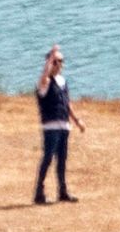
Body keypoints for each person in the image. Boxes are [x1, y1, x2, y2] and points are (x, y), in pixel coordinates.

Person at [34, 44, 86, 205]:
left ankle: (62, 191)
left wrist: (77, 120)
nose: (60, 64)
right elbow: (43, 78)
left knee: (62, 159)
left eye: (61, 61)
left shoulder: (62, 81)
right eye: (56, 61)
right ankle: (39, 193)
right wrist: (50, 59)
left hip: (64, 125)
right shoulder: (45, 82)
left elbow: (67, 103)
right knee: (48, 157)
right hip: (50, 126)